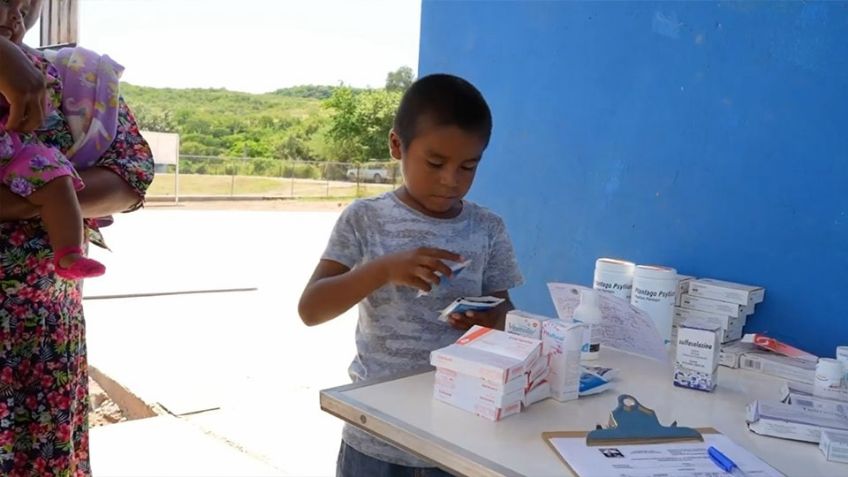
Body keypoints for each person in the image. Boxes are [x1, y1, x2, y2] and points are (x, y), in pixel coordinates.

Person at [299, 74, 524, 477]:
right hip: (374, 436)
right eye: (435, 163)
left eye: (468, 166)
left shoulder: (487, 228)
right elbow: (311, 309)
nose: (450, 180)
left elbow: (506, 311)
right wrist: (383, 270)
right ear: (396, 146)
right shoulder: (365, 220)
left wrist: (491, 320)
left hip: (458, 436)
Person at [0, 0, 154, 474]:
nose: (17, 10)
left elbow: (131, 176)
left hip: (39, 346)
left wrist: (41, 196)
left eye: (27, 0)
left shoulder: (71, 79)